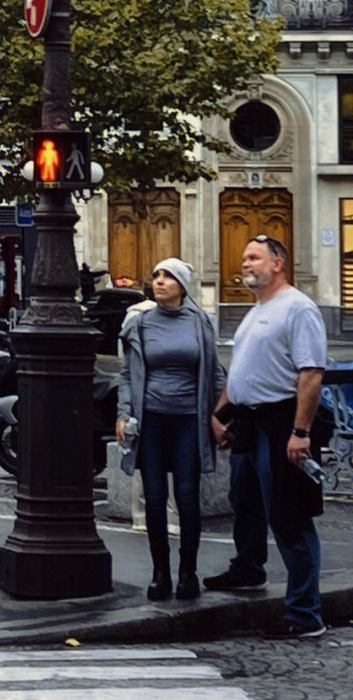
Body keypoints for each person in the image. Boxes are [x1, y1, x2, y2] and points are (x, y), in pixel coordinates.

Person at [205, 235, 329, 639]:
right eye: (243, 258)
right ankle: (248, 568)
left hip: (280, 422)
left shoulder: (298, 308)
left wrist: (300, 432)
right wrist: (220, 414)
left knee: (289, 515)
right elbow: (241, 369)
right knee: (246, 502)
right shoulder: (256, 310)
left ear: (278, 264)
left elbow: (311, 373)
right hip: (248, 422)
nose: (245, 264)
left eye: (254, 257)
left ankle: (305, 613)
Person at [116, 257, 223, 601]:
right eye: (157, 276)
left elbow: (216, 372)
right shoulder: (140, 322)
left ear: (182, 286)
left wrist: (221, 415)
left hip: (188, 419)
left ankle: (187, 572)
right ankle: (160, 573)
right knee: (155, 497)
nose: (159, 281)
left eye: (168, 276)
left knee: (189, 497)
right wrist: (123, 413)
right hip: (151, 420)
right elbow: (126, 374)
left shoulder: (200, 323)